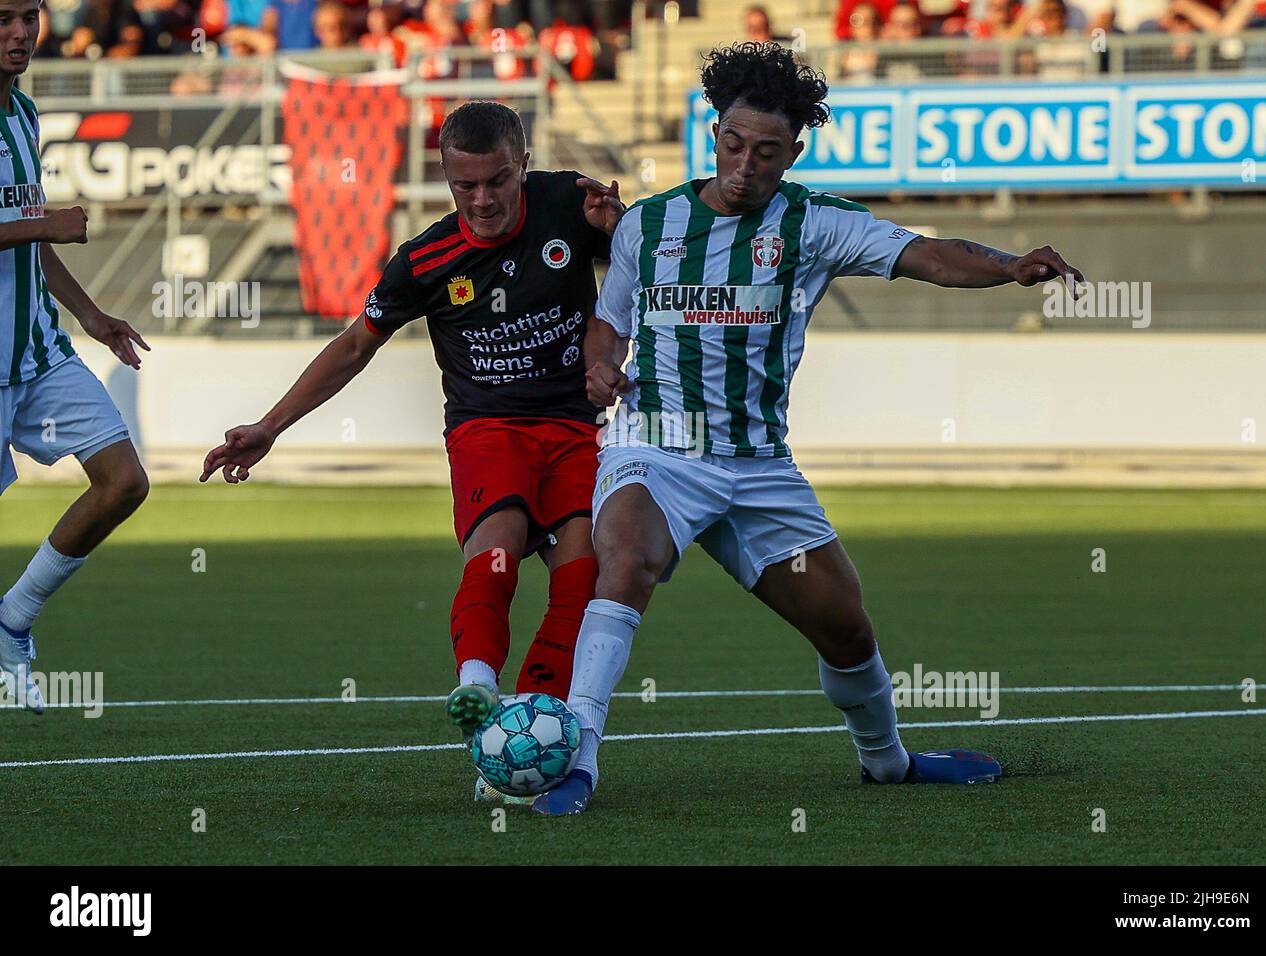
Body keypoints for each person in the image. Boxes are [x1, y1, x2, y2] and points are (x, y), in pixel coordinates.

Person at [533, 42, 1085, 815]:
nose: (745, 164)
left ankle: (889, 764)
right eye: (732, 143)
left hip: (759, 468)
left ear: (792, 152)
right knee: (624, 562)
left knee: (847, 631)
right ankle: (576, 759)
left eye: (765, 152)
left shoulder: (815, 224)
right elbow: (609, 324)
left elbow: (926, 252)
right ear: (714, 131)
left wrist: (1008, 264)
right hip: (655, 449)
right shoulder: (646, 226)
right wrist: (600, 367)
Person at [199, 102, 624, 801]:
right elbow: (354, 347)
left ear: (524, 165)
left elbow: (641, 267)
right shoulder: (425, 260)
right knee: (498, 548)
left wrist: (622, 224)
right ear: (445, 178)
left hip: (577, 426)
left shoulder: (568, 202)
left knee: (583, 575)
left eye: (497, 181)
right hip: (488, 428)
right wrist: (271, 426)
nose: (482, 200)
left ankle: (526, 733)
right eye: (465, 187)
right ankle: (479, 691)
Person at [0, 0, 152, 713]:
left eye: (28, 15)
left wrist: (91, 316)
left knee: (123, 481)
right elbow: (37, 226)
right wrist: (45, 222)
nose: (21, 32)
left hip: (37, 356)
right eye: (3, 17)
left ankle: (13, 619)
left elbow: (33, 240)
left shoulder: (25, 114)